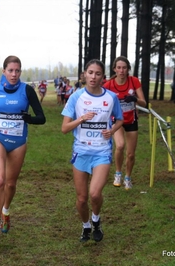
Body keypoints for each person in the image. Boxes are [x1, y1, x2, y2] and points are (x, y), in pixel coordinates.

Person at [0, 55, 46, 247]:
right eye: (10, 70)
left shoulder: (27, 90)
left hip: (18, 142)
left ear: (20, 72)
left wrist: (28, 118)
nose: (14, 74)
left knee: (11, 184)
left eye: (17, 71)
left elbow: (42, 118)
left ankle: (6, 211)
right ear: (3, 71)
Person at [61, 59, 123, 243]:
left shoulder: (111, 97)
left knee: (95, 194)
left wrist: (111, 130)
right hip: (81, 151)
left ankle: (96, 220)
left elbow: (119, 119)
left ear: (103, 77)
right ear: (84, 75)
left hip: (102, 151)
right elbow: (64, 128)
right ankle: (86, 225)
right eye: (90, 73)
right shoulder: (76, 97)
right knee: (81, 199)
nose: (93, 77)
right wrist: (81, 119)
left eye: (97, 74)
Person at [103, 56, 147, 190]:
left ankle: (127, 177)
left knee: (131, 153)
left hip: (131, 120)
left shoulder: (133, 81)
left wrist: (134, 99)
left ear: (128, 69)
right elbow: (102, 102)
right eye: (119, 68)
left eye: (124, 68)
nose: (121, 70)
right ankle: (118, 173)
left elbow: (144, 103)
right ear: (114, 69)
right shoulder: (109, 85)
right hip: (117, 121)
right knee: (120, 146)